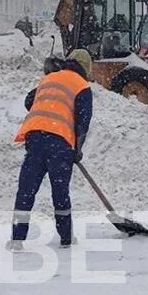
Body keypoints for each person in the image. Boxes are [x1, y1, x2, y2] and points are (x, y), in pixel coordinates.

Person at [9, 49, 94, 249]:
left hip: (36, 138)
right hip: (60, 142)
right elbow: (83, 122)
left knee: (26, 190)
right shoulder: (82, 86)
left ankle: (17, 239)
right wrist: (77, 149)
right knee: (60, 192)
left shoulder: (49, 78)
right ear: (86, 68)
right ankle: (65, 239)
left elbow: (29, 101)